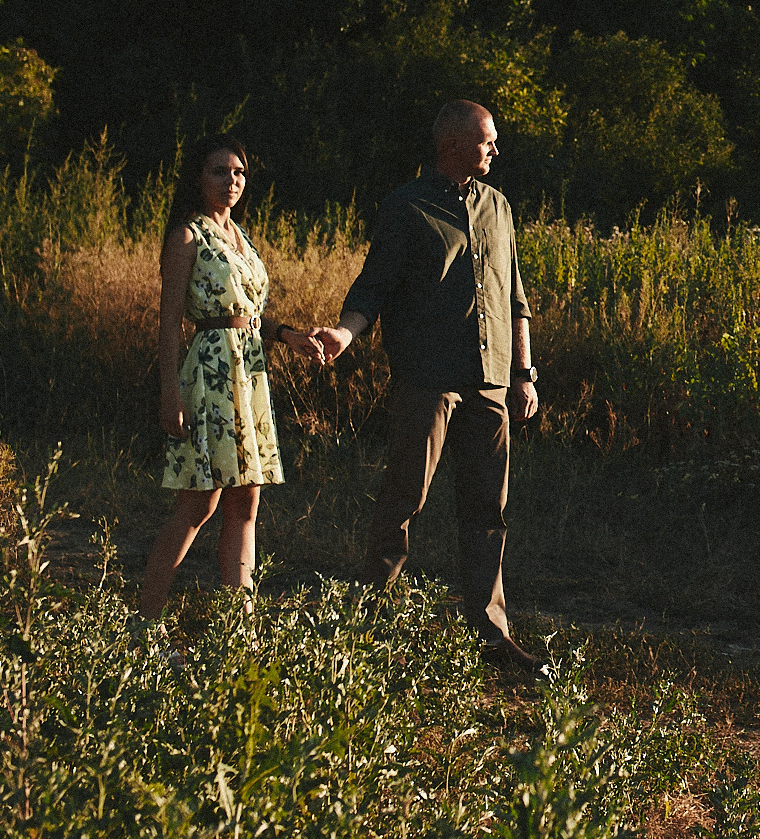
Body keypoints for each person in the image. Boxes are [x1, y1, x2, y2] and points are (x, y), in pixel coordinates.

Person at [308, 100, 544, 675]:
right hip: (428, 378)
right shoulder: (406, 206)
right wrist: (344, 331)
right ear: (455, 145)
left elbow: (515, 296)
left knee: (489, 507)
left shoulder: (499, 207)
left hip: (490, 380)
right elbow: (375, 285)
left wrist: (523, 372)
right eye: (487, 141)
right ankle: (365, 627)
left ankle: (492, 633)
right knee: (404, 500)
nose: (495, 150)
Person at [138, 133, 317, 620]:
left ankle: (238, 633)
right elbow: (169, 322)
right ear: (198, 178)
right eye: (219, 171)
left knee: (246, 506)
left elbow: (249, 311)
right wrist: (169, 393)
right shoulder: (187, 236)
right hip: (209, 376)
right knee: (198, 506)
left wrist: (288, 334)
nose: (231, 181)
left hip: (250, 374)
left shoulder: (242, 238)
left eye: (238, 172)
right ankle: (143, 629)